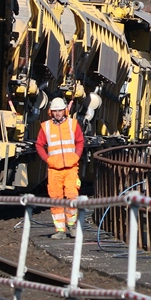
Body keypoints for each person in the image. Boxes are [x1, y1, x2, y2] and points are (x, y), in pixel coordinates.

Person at [35, 97, 84, 239]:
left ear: (65, 110)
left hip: (71, 168)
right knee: (56, 198)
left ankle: (72, 226)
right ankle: (60, 230)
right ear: (51, 112)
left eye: (60, 110)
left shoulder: (73, 124)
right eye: (55, 111)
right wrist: (48, 159)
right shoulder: (46, 126)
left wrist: (76, 156)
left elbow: (80, 141)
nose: (57, 113)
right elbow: (39, 145)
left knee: (71, 196)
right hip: (54, 169)